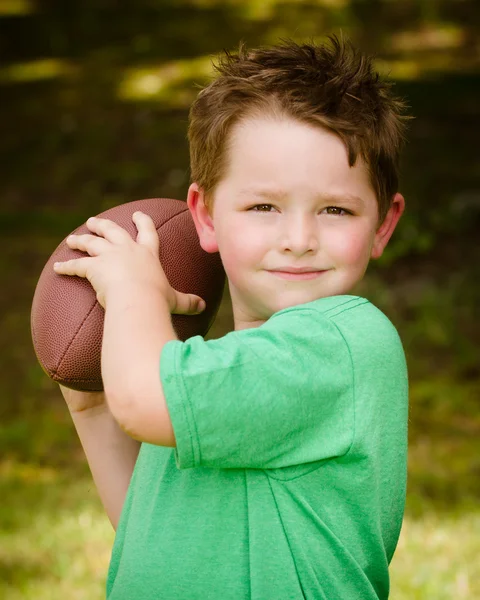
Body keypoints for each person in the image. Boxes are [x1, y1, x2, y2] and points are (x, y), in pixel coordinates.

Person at [55, 35, 410, 599]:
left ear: (382, 225)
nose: (299, 240)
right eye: (263, 206)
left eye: (335, 209)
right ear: (208, 215)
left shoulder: (344, 344)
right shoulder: (214, 376)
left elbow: (147, 401)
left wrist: (134, 292)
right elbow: (160, 538)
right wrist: (92, 404)